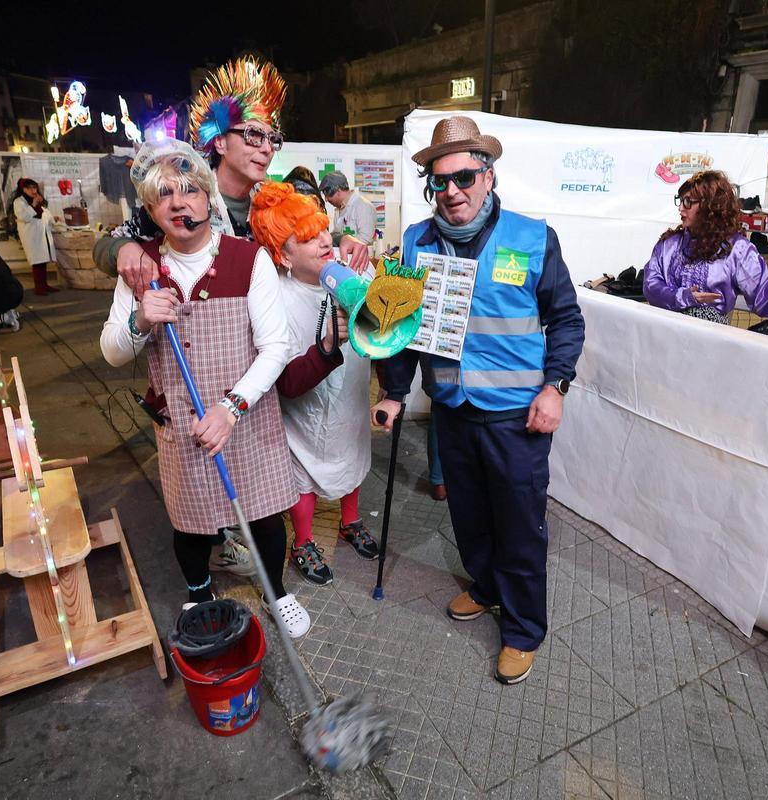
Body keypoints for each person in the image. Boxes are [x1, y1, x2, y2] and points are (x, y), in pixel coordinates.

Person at [372, 117, 585, 685]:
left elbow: (565, 319)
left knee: (518, 526)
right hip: (452, 411)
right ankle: (487, 588)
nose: (453, 192)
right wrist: (394, 391)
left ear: (488, 176)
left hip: (517, 417)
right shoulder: (416, 241)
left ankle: (522, 630)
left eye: (465, 177)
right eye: (440, 182)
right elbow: (401, 324)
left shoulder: (532, 237)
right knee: (469, 517)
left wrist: (555, 386)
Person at [99, 139, 310, 637]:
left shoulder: (249, 259)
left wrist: (231, 407)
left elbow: (276, 346)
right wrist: (139, 320)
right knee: (191, 521)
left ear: (209, 198)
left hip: (248, 416)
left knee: (262, 516)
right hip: (184, 424)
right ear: (150, 209)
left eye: (191, 189)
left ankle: (277, 593)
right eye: (164, 194)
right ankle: (199, 595)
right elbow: (111, 351)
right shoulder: (142, 269)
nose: (179, 202)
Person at [94, 57, 370, 300]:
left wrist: (343, 240)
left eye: (272, 139)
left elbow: (302, 235)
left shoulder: (273, 199)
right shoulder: (186, 197)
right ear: (221, 143)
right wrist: (124, 249)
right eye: (253, 135)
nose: (265, 148)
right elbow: (106, 245)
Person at [249, 182, 379, 586]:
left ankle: (350, 521)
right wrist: (327, 345)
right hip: (304, 409)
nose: (324, 240)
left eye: (323, 229)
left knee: (353, 455)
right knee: (303, 472)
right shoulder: (275, 297)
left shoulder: (356, 269)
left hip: (352, 398)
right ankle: (302, 542)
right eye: (306, 237)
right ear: (282, 256)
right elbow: (286, 382)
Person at [642, 170, 768, 327]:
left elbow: (764, 289)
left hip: (711, 337)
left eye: (688, 202)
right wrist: (685, 297)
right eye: (681, 200)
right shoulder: (668, 244)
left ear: (709, 206)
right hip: (664, 329)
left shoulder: (736, 249)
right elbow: (651, 285)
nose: (680, 208)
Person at [12, 178, 59, 296]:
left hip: (41, 234)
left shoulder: (38, 199)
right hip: (32, 235)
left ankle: (44, 285)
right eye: (29, 188)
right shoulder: (19, 202)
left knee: (43, 261)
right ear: (23, 189)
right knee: (37, 262)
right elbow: (24, 216)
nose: (33, 190)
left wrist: (54, 219)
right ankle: (39, 288)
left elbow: (45, 213)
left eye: (34, 187)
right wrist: (33, 204)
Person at [320, 171, 376, 246]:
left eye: (327, 195)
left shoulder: (363, 206)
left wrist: (344, 244)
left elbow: (365, 239)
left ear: (338, 191)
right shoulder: (339, 209)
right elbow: (337, 235)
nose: (326, 199)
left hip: (358, 256)